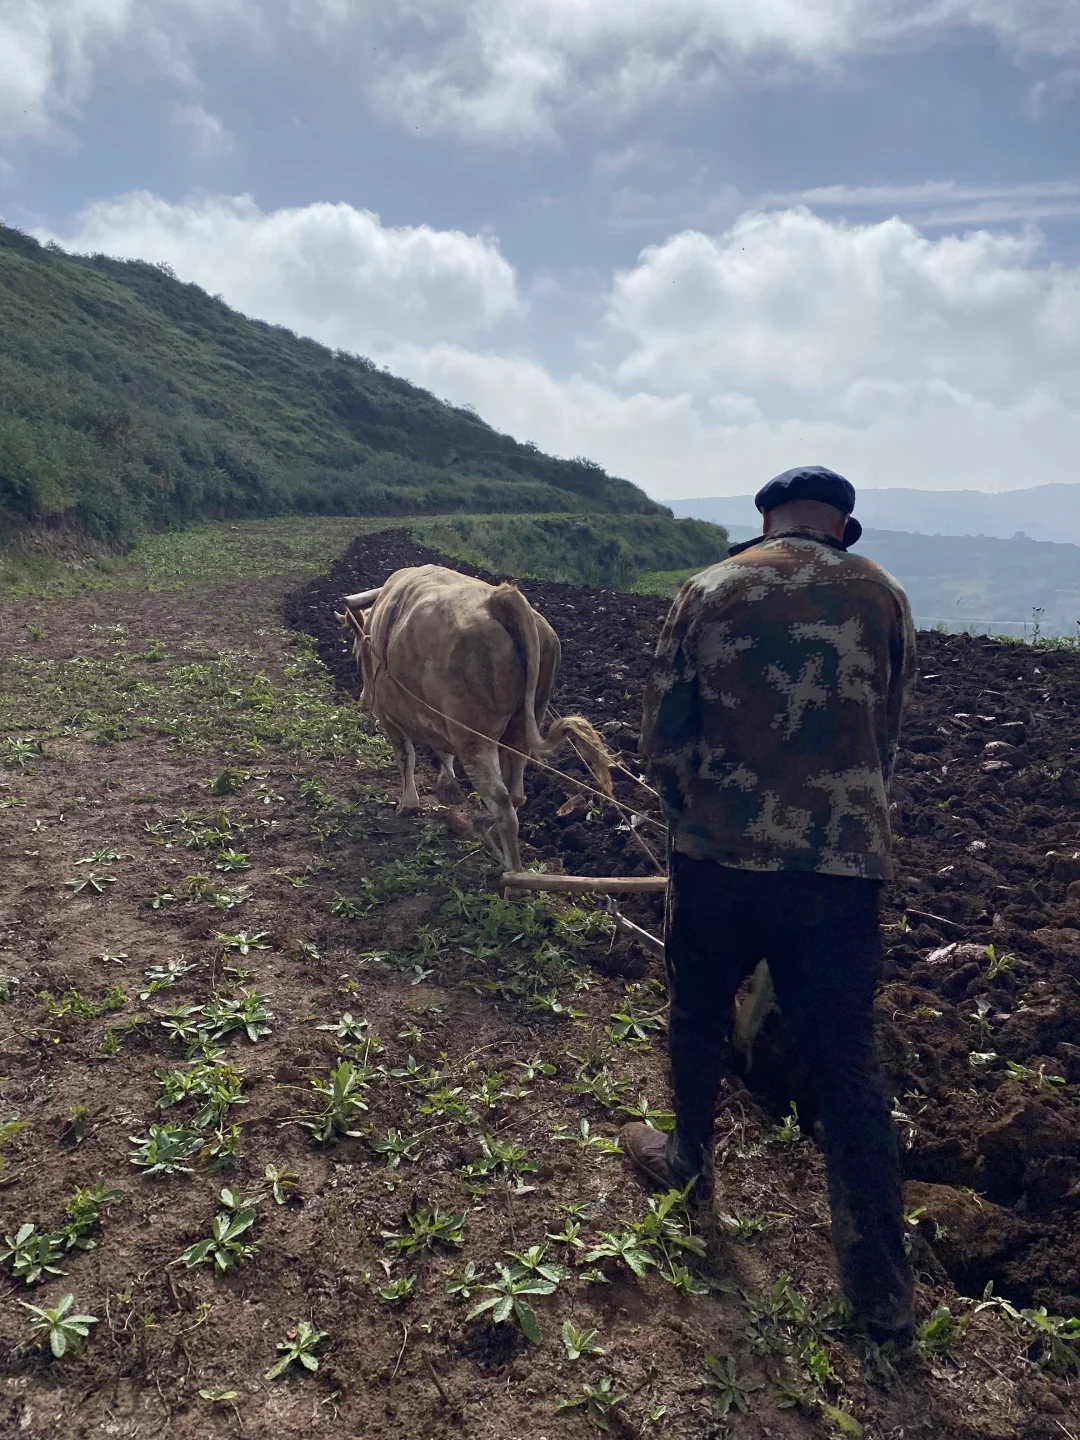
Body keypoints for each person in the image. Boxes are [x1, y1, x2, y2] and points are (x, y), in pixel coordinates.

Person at [620, 464, 917, 1345]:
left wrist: (693, 817)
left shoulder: (710, 588)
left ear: (766, 519)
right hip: (839, 874)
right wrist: (846, 821)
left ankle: (685, 1165)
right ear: (841, 526)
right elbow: (887, 732)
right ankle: (881, 1295)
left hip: (718, 859)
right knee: (848, 1065)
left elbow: (661, 733)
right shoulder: (886, 598)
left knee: (697, 1009)